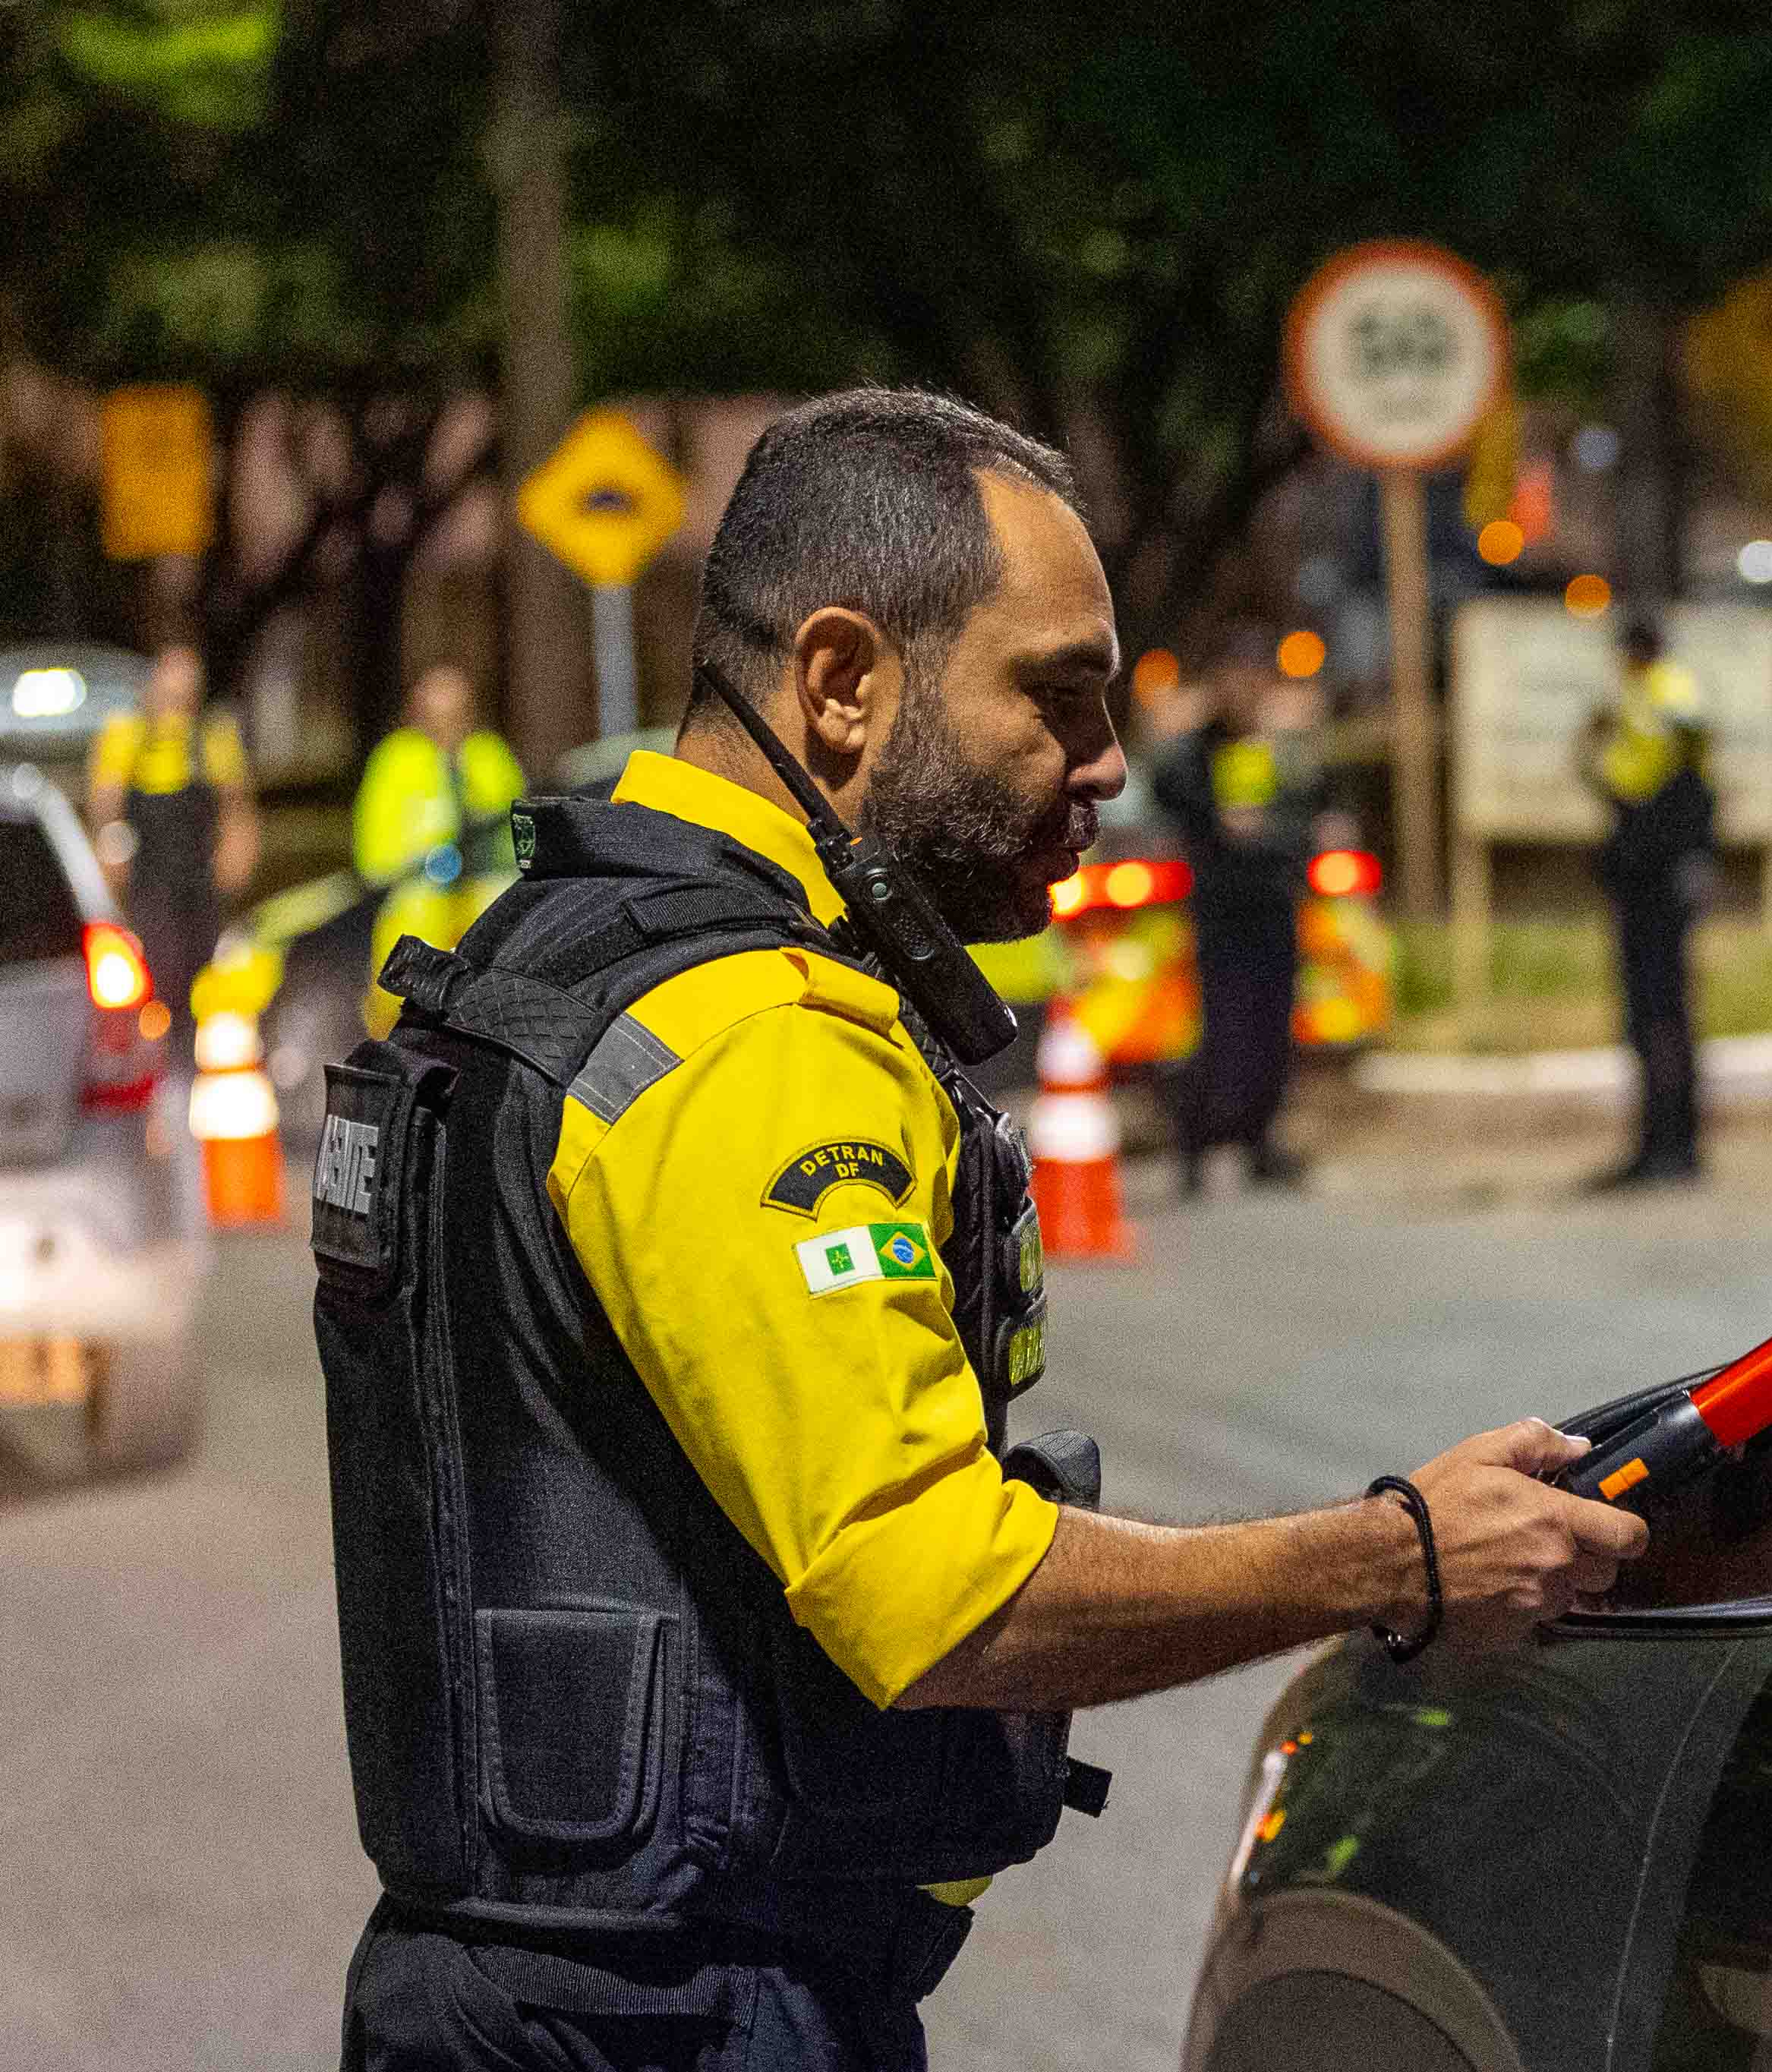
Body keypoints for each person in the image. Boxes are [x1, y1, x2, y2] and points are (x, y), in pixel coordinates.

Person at [317, 389, 1644, 2070]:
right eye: (1056, 694)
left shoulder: (557, 948)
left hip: (537, 1991)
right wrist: (1398, 1553)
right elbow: (934, 1592)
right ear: (843, 681)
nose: (1104, 759)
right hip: (674, 2017)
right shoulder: (752, 1039)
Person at [1148, 624, 1329, 1197]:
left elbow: (1314, 802)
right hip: (1221, 903)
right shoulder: (1200, 746)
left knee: (1272, 1027)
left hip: (1272, 901)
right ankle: (1197, 1144)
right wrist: (1214, 822)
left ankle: (1258, 1138)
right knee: (1220, 1028)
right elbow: (1169, 789)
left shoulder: (1280, 745)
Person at [1578, 616, 1715, 1190]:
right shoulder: (1657, 697)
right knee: (1660, 1014)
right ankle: (1667, 1143)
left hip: (1654, 875)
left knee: (1658, 1015)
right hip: (1653, 873)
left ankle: (1668, 1145)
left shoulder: (1657, 699)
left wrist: (1592, 752)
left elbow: (1650, 786)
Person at [86, 643, 257, 1050]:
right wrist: (111, 856)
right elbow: (106, 806)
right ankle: (159, 1047)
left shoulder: (213, 738)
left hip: (199, 876)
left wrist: (239, 850)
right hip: (150, 876)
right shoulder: (126, 736)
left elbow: (236, 805)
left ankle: (188, 1047)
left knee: (202, 968)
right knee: (160, 966)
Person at [354, 663, 528, 1034]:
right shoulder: (395, 759)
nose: (446, 725)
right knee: (402, 1008)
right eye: (435, 715)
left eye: (455, 714)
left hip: (484, 902)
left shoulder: (490, 756)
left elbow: (519, 831)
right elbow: (372, 848)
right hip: (418, 906)